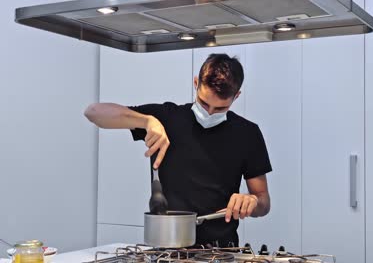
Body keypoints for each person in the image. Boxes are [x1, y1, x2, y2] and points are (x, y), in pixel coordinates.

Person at [84, 53, 272, 247]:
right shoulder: (167, 118)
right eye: (204, 102)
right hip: (166, 248)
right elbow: (93, 112)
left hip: (221, 250)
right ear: (196, 82)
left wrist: (251, 201)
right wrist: (147, 121)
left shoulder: (248, 133)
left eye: (219, 109)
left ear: (237, 96)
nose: (209, 112)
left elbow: (263, 202)